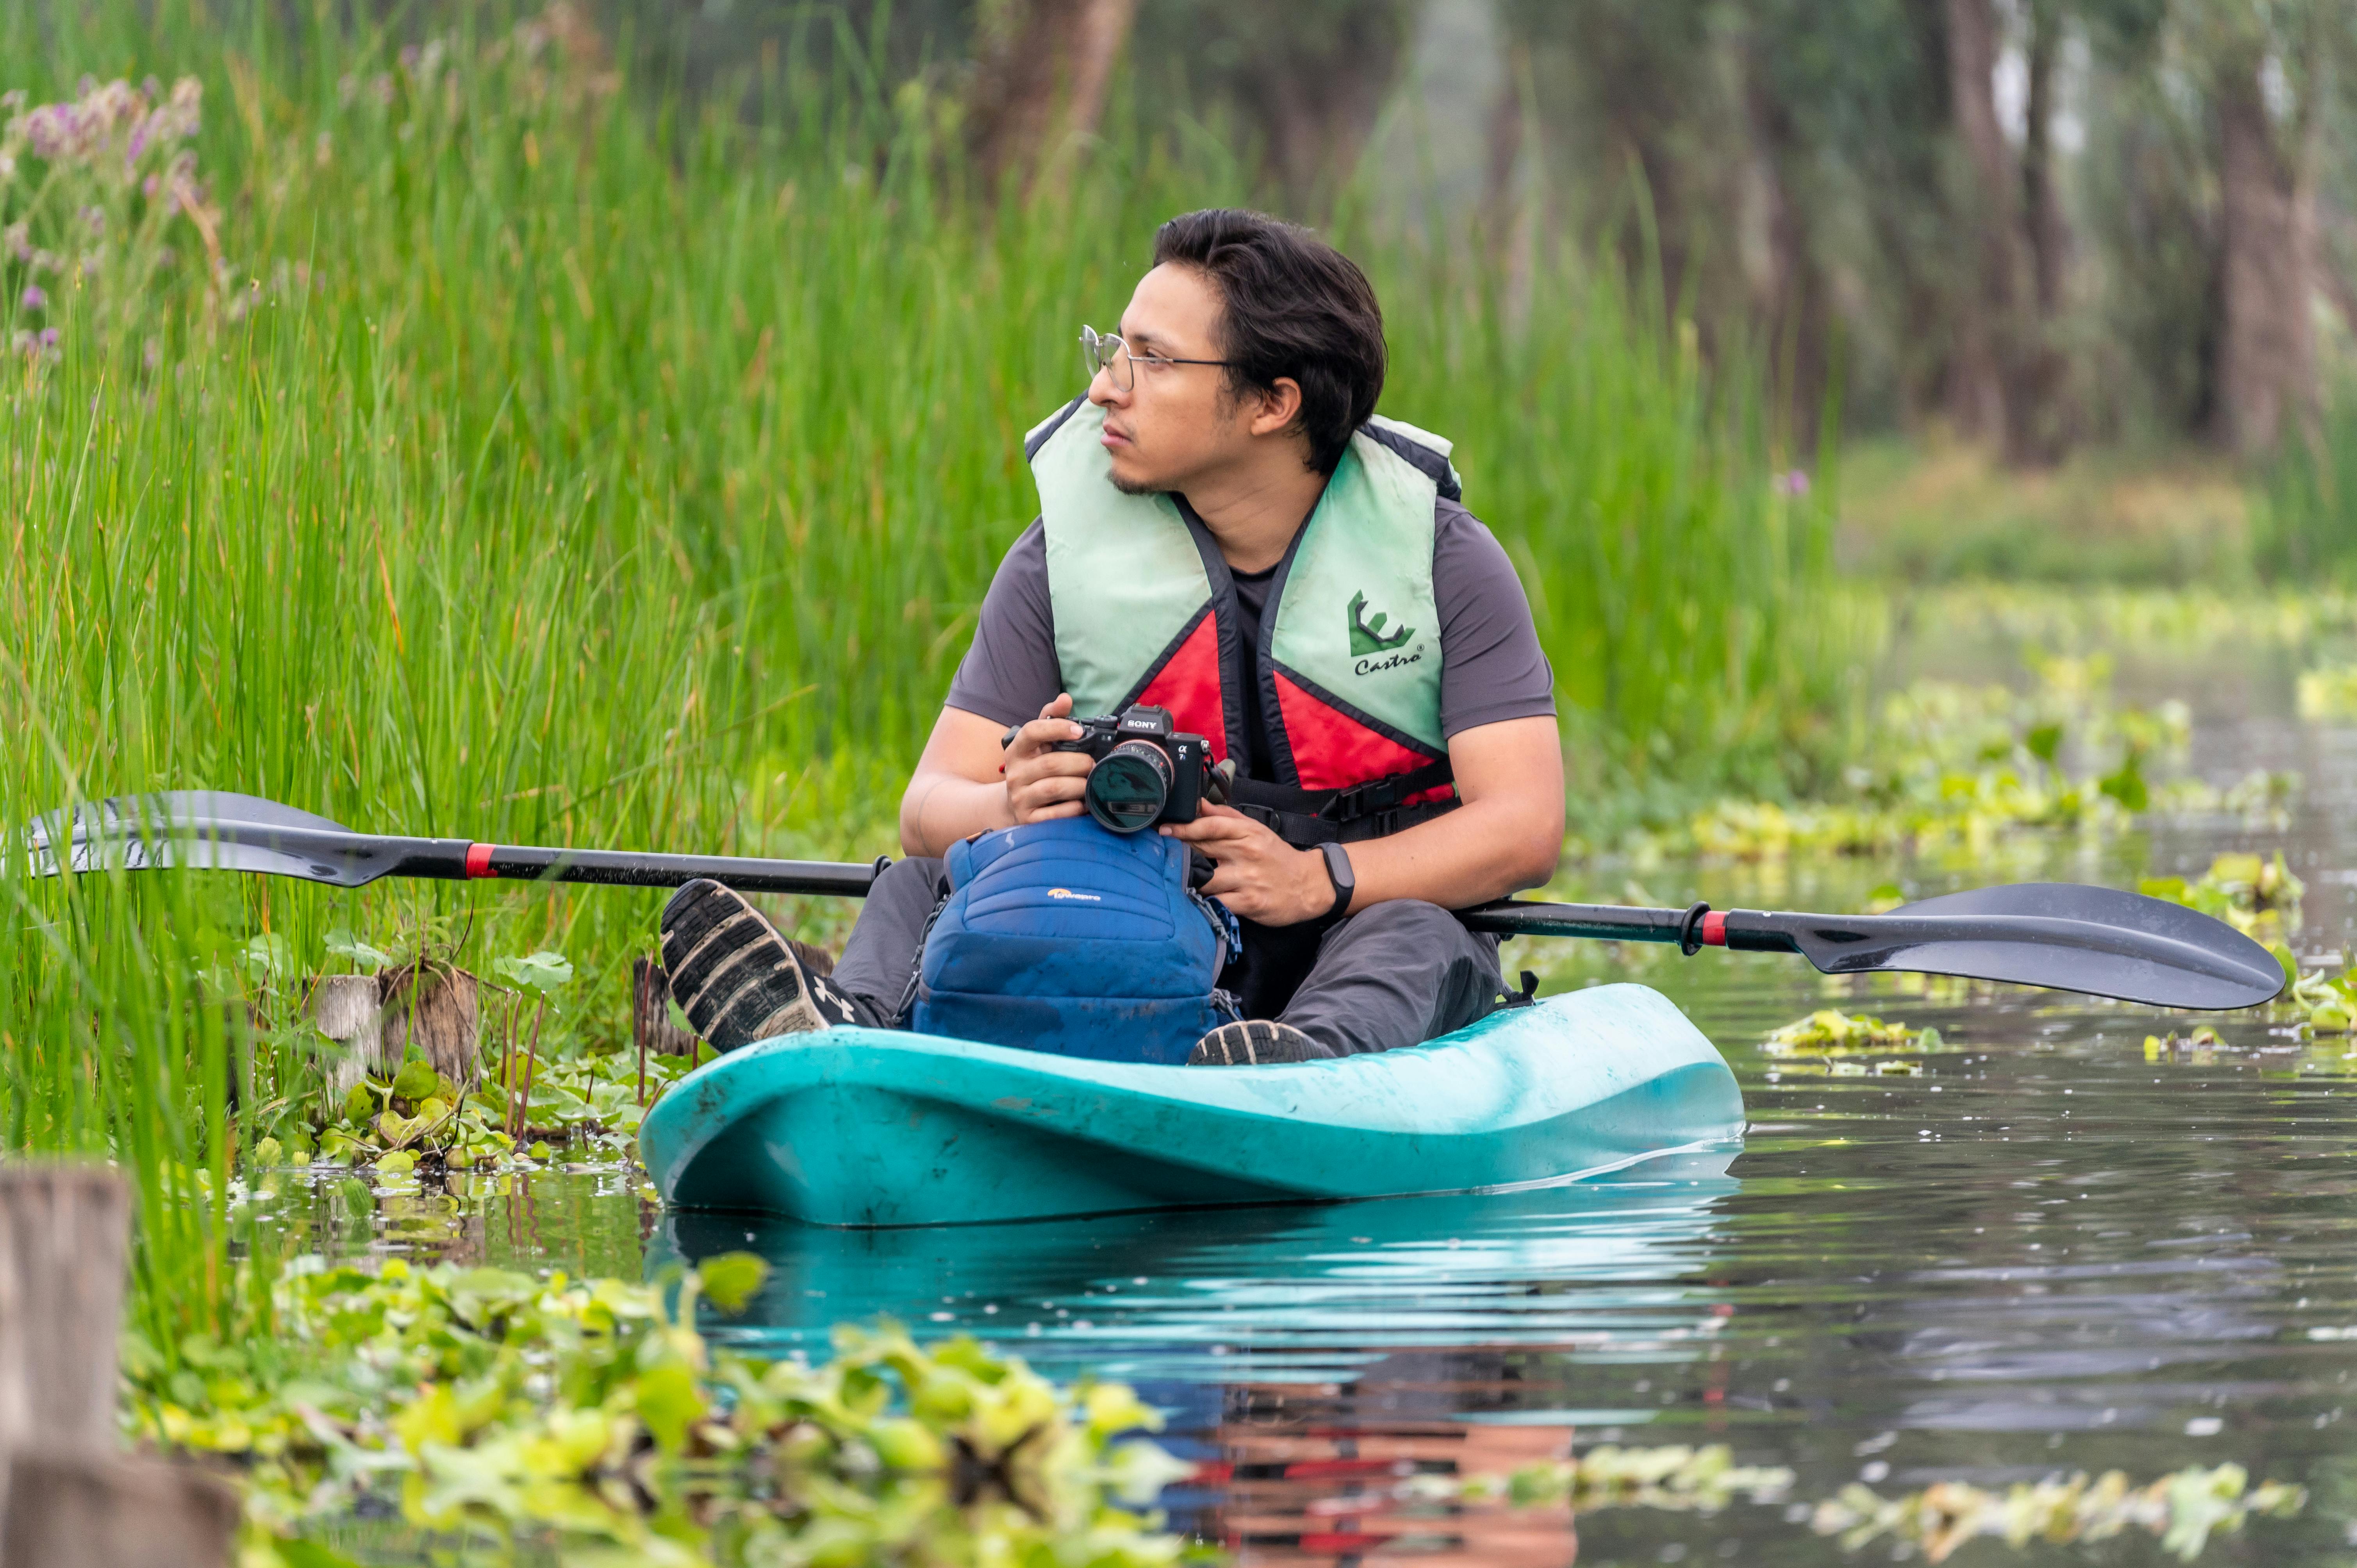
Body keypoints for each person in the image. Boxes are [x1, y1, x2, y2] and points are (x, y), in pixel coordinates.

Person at [661, 208, 1563, 1065]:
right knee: (923, 878)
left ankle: (1299, 1067)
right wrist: (1006, 805)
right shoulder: (1060, 558)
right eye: (1111, 350)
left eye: (1151, 360)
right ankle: (844, 1030)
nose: (1103, 388)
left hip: (1356, 931)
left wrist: (1319, 878)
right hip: (1141, 929)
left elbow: (1524, 825)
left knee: (1413, 931)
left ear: (1273, 403)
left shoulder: (1440, 561)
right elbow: (929, 803)